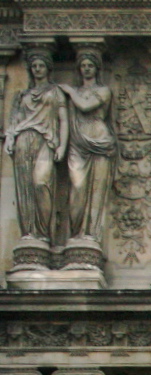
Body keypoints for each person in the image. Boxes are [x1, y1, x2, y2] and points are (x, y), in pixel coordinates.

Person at [5, 47, 66, 245]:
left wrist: (62, 146)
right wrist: (9, 138)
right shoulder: (23, 95)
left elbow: (63, 120)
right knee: (26, 188)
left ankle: (43, 233)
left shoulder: (55, 92)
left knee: (41, 183)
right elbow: (14, 121)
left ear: (48, 69)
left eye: (41, 66)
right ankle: (30, 233)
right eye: (34, 66)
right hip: (23, 139)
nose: (37, 69)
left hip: (45, 141)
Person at [59, 46, 112, 245]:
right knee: (78, 188)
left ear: (97, 68)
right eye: (83, 66)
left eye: (90, 65)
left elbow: (85, 106)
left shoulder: (103, 90)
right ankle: (76, 234)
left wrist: (70, 91)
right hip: (77, 142)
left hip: (98, 140)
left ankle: (90, 235)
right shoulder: (77, 92)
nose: (87, 69)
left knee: (96, 193)